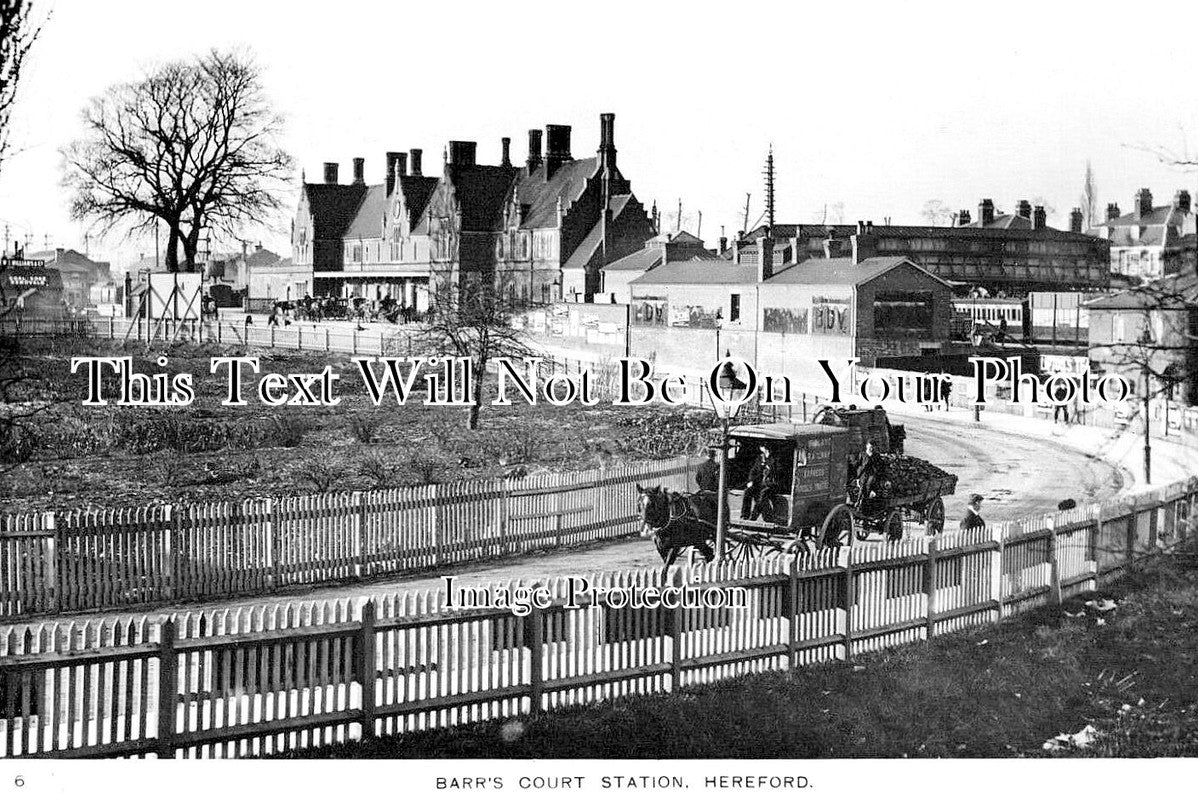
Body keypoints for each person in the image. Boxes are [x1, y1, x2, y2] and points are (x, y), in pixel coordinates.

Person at [741, 445, 779, 521]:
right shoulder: (760, 458)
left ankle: (760, 517)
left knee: (762, 495)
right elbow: (753, 470)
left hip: (770, 484)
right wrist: (751, 481)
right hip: (759, 484)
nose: (760, 448)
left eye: (762, 447)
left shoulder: (775, 459)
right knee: (748, 491)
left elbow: (778, 473)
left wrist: (769, 467)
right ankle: (745, 515)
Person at [855, 440, 883, 511]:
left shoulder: (876, 456)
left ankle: (865, 505)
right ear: (867, 446)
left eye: (872, 447)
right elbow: (859, 466)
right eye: (870, 447)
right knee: (861, 486)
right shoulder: (862, 454)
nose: (871, 449)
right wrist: (858, 477)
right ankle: (858, 503)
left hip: (872, 474)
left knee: (868, 486)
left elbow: (879, 467)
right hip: (864, 474)